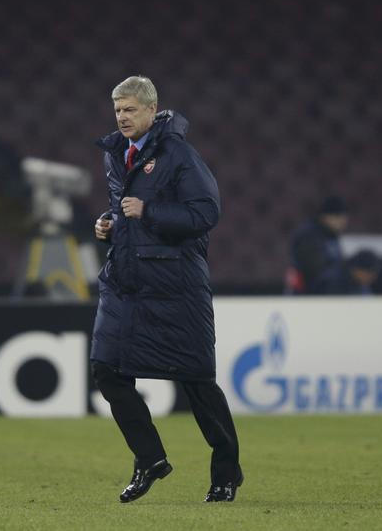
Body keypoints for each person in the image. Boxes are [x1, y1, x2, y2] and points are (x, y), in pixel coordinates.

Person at [91, 76, 243, 503]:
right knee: (106, 370)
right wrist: (108, 226)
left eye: (130, 110)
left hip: (175, 286)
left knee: (197, 382)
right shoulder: (117, 154)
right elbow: (126, 211)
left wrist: (148, 211)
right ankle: (149, 458)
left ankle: (227, 472)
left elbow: (206, 211)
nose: (122, 118)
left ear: (151, 109)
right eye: (118, 110)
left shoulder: (178, 154)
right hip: (125, 284)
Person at [285, 195, 349, 294]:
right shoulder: (308, 237)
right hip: (307, 298)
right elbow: (315, 272)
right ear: (325, 217)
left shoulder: (331, 236)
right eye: (338, 217)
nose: (343, 222)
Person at [314, 248, 381, 295]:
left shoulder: (360, 283)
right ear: (358, 270)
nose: (372, 279)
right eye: (370, 275)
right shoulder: (333, 281)